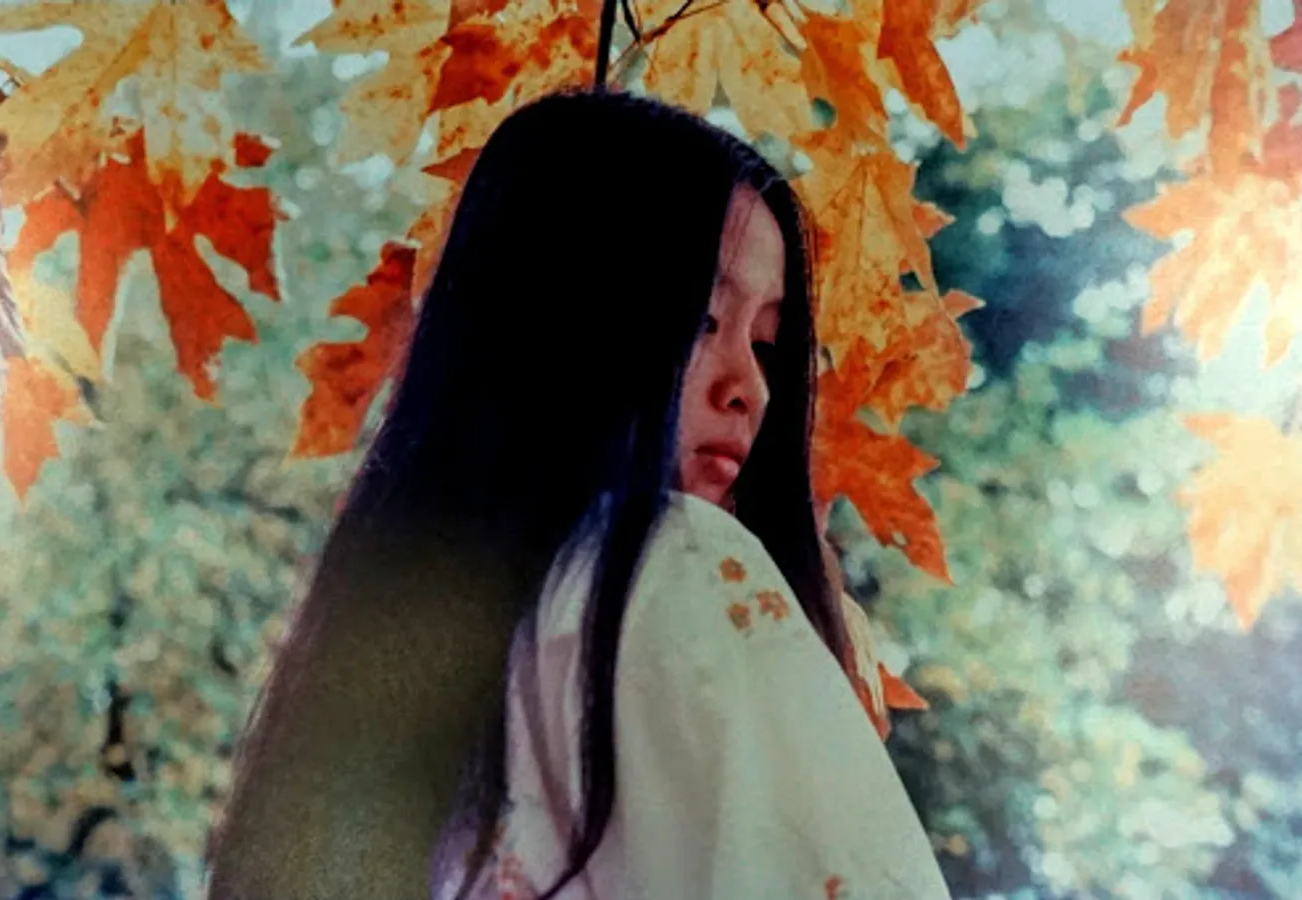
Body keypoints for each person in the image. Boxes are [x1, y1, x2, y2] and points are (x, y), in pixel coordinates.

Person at [204, 88, 950, 900]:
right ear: (568, 322)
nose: (751, 388)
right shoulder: (675, 562)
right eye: (702, 322)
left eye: (764, 344)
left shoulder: (390, 693)